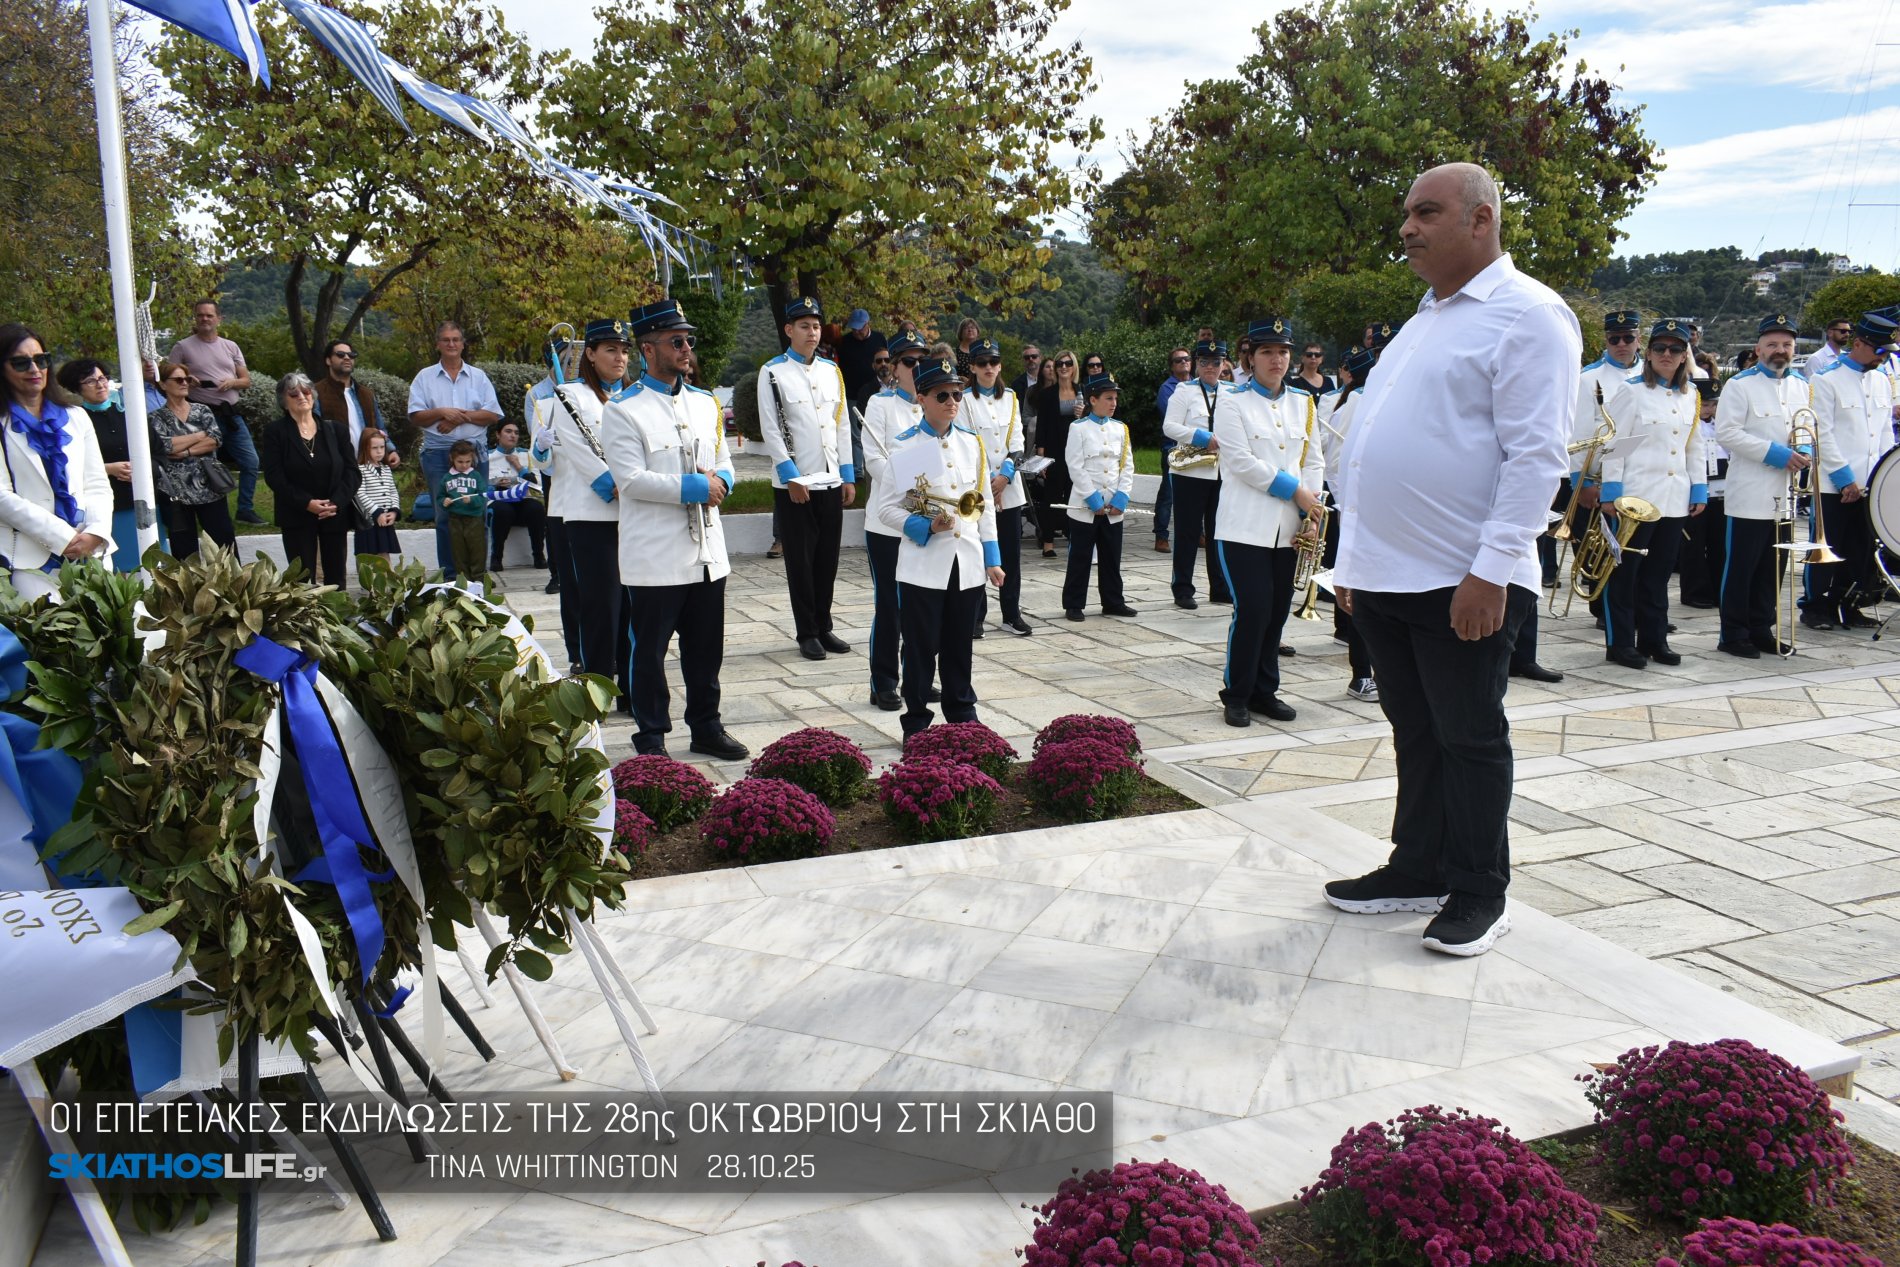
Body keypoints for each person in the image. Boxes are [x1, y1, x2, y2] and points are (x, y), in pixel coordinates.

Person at [1327, 162, 1578, 958]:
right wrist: (1355, 568)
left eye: (1426, 212)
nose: (1407, 227)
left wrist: (1493, 568)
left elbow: (1536, 457)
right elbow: (1374, 448)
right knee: (1415, 728)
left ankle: (1478, 888)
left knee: (1470, 736)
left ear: (1482, 220)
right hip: (1390, 574)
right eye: (1406, 213)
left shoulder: (1528, 315)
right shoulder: (1427, 316)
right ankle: (1419, 864)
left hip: (1462, 577)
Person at [602, 298, 748, 761]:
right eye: (676, 341)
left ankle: (706, 725)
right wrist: (695, 487)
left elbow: (724, 461)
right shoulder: (623, 409)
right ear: (648, 348)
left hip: (707, 551)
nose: (687, 348)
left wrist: (721, 480)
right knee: (649, 654)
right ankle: (652, 737)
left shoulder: (705, 403)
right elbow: (629, 480)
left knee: (706, 652)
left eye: (689, 340)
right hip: (656, 555)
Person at [877, 355, 1004, 738]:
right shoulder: (906, 447)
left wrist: (992, 558)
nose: (952, 402)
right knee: (919, 649)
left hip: (965, 563)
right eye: (943, 395)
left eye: (957, 395)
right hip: (923, 566)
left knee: (959, 645)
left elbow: (984, 505)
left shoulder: (971, 443)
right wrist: (924, 525)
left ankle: (961, 711)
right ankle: (915, 720)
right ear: (922, 399)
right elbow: (886, 509)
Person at [1213, 319, 1324, 726]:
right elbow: (1241, 462)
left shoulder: (1303, 403)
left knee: (1277, 611)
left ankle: (1265, 691)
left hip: (1289, 528)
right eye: (1267, 352)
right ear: (1250, 357)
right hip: (1243, 526)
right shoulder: (1231, 400)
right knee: (1253, 609)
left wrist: (1310, 513)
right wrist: (1296, 492)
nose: (1277, 360)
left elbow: (1313, 461)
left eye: (1283, 352)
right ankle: (1237, 692)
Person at [1596, 318, 1707, 669]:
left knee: (1658, 577)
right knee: (1624, 575)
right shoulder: (1632, 392)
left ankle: (1654, 639)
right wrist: (1611, 493)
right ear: (1648, 352)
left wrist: (1699, 487)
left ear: (1684, 355)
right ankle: (1620, 643)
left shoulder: (1690, 395)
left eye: (1675, 349)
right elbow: (1616, 447)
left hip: (1673, 499)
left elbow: (1694, 445)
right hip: (1636, 500)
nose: (1667, 354)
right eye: (1660, 348)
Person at [529, 317, 632, 686]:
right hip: (584, 509)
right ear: (589, 353)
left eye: (623, 351)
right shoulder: (569, 396)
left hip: (633, 511)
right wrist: (617, 485)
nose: (619, 358)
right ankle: (595, 675)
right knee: (595, 602)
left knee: (630, 605)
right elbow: (551, 458)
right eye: (610, 350)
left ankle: (630, 680)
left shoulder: (632, 396)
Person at [760, 295, 855, 661]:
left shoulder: (832, 371)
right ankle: (807, 632)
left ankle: (825, 624)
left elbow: (841, 425)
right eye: (804, 326)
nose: (812, 332)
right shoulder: (772, 372)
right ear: (788, 330)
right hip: (796, 483)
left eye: (815, 326)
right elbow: (771, 429)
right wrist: (790, 476)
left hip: (829, 479)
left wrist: (847, 474)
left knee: (827, 559)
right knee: (800, 560)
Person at [1713, 315, 1809, 657]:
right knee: (1742, 567)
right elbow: (1727, 433)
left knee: (1774, 568)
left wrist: (1806, 449)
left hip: (1785, 494)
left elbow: (1807, 423)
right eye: (1772, 345)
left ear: (1794, 349)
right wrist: (1776, 453)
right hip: (1751, 492)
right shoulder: (1740, 385)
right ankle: (1733, 633)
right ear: (1758, 349)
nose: (1779, 351)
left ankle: (1761, 627)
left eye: (1786, 345)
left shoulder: (1799, 385)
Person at [0, 326, 112, 597]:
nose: (34, 369)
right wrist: (63, 538)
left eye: (41, 360)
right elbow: (2, 496)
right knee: (49, 637)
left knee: (110, 633)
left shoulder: (76, 416)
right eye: (20, 362)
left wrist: (97, 532)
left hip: (90, 550)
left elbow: (96, 483)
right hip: (28, 557)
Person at [1805, 310, 1899, 631]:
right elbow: (1823, 435)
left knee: (1860, 549)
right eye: (1879, 351)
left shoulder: (1881, 380)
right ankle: (1816, 605)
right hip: (1835, 484)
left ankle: (1847, 603)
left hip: (1871, 484)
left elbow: (1885, 432)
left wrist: (1885, 478)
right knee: (1826, 547)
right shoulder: (1826, 379)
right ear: (1858, 343)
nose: (1884, 358)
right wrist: (1845, 478)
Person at [861, 331, 930, 710]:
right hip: (887, 523)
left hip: (924, 520)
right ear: (895, 367)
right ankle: (883, 679)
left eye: (922, 360)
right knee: (890, 604)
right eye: (909, 361)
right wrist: (911, 480)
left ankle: (917, 676)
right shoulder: (880, 405)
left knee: (919, 603)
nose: (916, 368)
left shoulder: (933, 403)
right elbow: (874, 461)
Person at [408, 322, 501, 581]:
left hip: (473, 454)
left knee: (476, 512)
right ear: (438, 344)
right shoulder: (424, 377)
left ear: (462, 344)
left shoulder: (478, 377)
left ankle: (477, 575)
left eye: (456, 339)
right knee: (444, 515)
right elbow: (416, 416)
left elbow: (492, 414)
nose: (451, 344)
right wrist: (440, 412)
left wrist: (458, 416)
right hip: (438, 455)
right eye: (446, 340)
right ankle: (451, 575)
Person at [56, 358, 167, 571]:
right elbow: (68, 466)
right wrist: (108, 469)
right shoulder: (75, 422)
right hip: (109, 509)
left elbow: (161, 455)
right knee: (120, 570)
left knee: (155, 567)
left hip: (145, 502)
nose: (101, 385)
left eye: (103, 378)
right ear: (76, 388)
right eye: (91, 381)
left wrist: (143, 470)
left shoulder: (131, 415)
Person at [167, 299, 262, 525]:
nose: (204, 319)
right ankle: (211, 513)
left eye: (209, 315)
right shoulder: (182, 346)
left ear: (219, 318)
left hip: (230, 413)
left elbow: (246, 380)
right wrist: (188, 380)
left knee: (251, 462)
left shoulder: (231, 346)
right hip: (200, 415)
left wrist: (233, 382)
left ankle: (245, 509)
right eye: (200, 315)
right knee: (207, 465)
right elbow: (168, 377)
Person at [259, 371, 359, 587]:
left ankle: (337, 618)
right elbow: (274, 476)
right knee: (301, 579)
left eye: (306, 392)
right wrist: (307, 503)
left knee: (336, 578)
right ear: (284, 402)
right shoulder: (275, 432)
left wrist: (336, 502)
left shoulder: (336, 430)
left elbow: (352, 472)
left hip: (334, 513)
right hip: (296, 513)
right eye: (294, 394)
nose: (302, 397)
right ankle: (306, 619)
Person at [959, 339, 1030, 636]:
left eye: (993, 362)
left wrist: (1005, 477)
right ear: (973, 367)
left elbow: (1017, 443)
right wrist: (990, 482)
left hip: (1008, 487)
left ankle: (1011, 614)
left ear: (1000, 366)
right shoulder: (963, 400)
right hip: (978, 486)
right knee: (977, 552)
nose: (989, 368)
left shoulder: (1011, 398)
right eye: (982, 363)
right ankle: (976, 616)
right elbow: (967, 442)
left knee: (1010, 554)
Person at [1322, 346, 1378, 700]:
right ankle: (1362, 673)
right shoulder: (1355, 401)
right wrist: (1350, 505)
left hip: (1395, 512)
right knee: (1361, 590)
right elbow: (1334, 460)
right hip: (1363, 511)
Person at [1161, 340, 1235, 610]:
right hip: (1191, 471)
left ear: (1224, 364)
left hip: (1222, 473)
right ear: (1195, 364)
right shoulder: (1184, 390)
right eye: (1204, 362)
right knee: (1187, 533)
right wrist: (1200, 436)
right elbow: (1169, 426)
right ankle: (1182, 588)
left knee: (1219, 533)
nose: (1210, 367)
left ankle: (1220, 588)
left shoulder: (1233, 392)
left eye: (1216, 362)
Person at [1062, 371, 1137, 621]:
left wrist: (1122, 496)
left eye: (1115, 398)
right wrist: (1092, 497)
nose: (1114, 403)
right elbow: (1075, 465)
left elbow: (1126, 465)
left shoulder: (1121, 429)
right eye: (1108, 397)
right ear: (1093, 400)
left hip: (1113, 505)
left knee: (1111, 556)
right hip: (1086, 505)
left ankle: (1113, 601)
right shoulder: (1078, 428)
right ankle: (1074, 604)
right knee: (1080, 556)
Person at [149, 357, 237, 560]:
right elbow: (165, 446)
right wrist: (199, 435)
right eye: (178, 380)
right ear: (163, 384)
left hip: (209, 485)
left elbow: (215, 439)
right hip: (175, 491)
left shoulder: (202, 410)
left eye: (186, 379)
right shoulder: (156, 418)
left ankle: (233, 588)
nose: (184, 383)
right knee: (184, 549)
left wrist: (186, 451)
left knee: (223, 543)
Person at [1677, 378, 1727, 610]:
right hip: (1696, 488)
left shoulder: (1721, 425)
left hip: (1721, 490)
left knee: (1719, 543)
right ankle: (1694, 591)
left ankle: (1717, 588)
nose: (1709, 409)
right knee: (1694, 544)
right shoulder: (1690, 424)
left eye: (1713, 405)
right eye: (1705, 404)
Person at [315, 338, 399, 469]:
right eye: (340, 355)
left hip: (368, 465)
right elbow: (314, 431)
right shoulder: (316, 392)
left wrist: (391, 450)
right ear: (328, 360)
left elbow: (379, 428)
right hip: (337, 466)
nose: (347, 358)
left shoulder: (366, 393)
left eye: (351, 355)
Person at [1031, 350, 1081, 557]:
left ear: (1074, 366)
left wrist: (1084, 412)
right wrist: (1041, 456)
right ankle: (1048, 541)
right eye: (1059, 363)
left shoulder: (1083, 390)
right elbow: (1041, 425)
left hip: (1077, 450)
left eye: (1068, 363)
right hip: (1054, 449)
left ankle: (1073, 536)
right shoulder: (1046, 394)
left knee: (1074, 494)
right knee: (1051, 496)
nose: (1063, 367)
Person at [486, 419, 546, 574]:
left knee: (536, 508)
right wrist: (496, 484)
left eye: (516, 433)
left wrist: (519, 467)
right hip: (499, 501)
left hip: (523, 500)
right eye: (508, 431)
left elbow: (537, 485)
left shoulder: (526, 455)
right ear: (498, 434)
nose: (513, 435)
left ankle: (539, 555)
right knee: (503, 510)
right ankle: (496, 557)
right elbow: (480, 485)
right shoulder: (487, 457)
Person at [433, 438, 488, 587]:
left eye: (467, 462)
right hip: (455, 519)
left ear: (472, 460)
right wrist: (444, 502)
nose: (464, 465)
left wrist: (472, 501)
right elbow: (440, 497)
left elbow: (483, 496)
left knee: (477, 549)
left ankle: (479, 578)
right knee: (458, 551)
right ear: (452, 459)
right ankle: (464, 579)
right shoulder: (447, 477)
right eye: (460, 462)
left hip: (474, 518)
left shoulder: (476, 476)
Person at [353, 429, 402, 568]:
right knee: (366, 552)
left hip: (385, 520)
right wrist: (377, 512)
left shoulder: (386, 468)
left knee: (383, 551)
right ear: (365, 448)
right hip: (368, 520)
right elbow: (360, 493)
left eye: (382, 447)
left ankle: (387, 580)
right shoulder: (361, 469)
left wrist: (394, 511)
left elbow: (393, 490)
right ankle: (367, 583)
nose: (379, 451)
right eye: (375, 448)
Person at [837, 308, 886, 409]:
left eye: (860, 328)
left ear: (867, 324)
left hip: (876, 393)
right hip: (852, 395)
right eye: (854, 329)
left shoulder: (879, 338)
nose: (857, 332)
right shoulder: (845, 341)